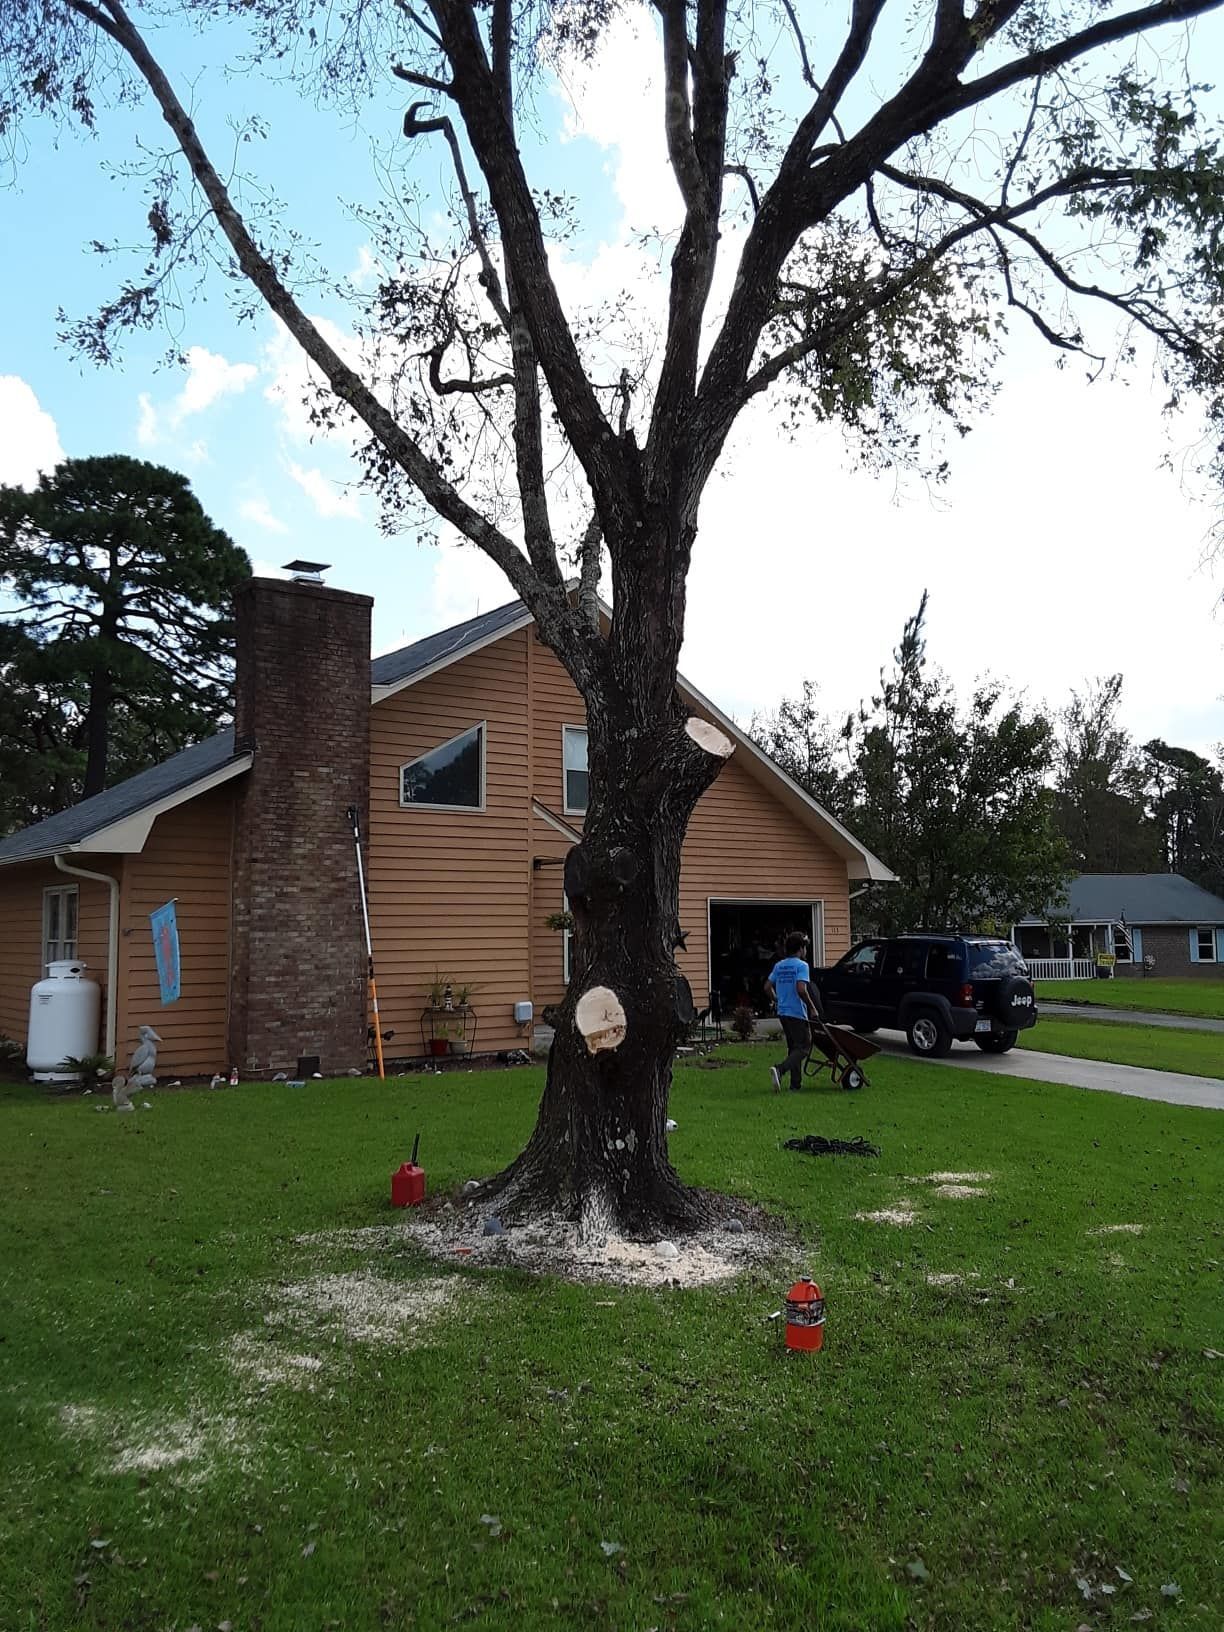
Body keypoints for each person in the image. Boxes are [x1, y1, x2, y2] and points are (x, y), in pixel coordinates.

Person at [765, 931, 821, 1092]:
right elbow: (801, 989)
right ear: (800, 948)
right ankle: (780, 1069)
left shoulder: (779, 965)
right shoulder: (802, 966)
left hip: (783, 1012)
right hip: (797, 1012)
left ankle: (795, 1085)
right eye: (805, 947)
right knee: (804, 1047)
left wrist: (776, 999)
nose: (806, 951)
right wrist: (812, 1007)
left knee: (793, 1048)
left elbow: (767, 987)